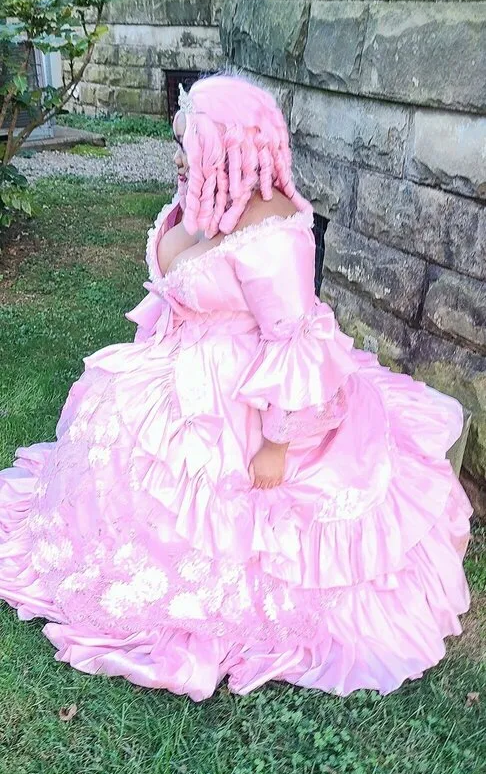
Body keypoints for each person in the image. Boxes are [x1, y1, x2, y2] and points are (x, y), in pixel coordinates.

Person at [0, 73, 473, 702]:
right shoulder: (208, 197)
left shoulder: (273, 237)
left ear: (230, 148)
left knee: (223, 506)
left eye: (187, 142)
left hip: (242, 395)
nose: (176, 155)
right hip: (179, 368)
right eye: (178, 140)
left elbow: (293, 344)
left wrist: (276, 444)